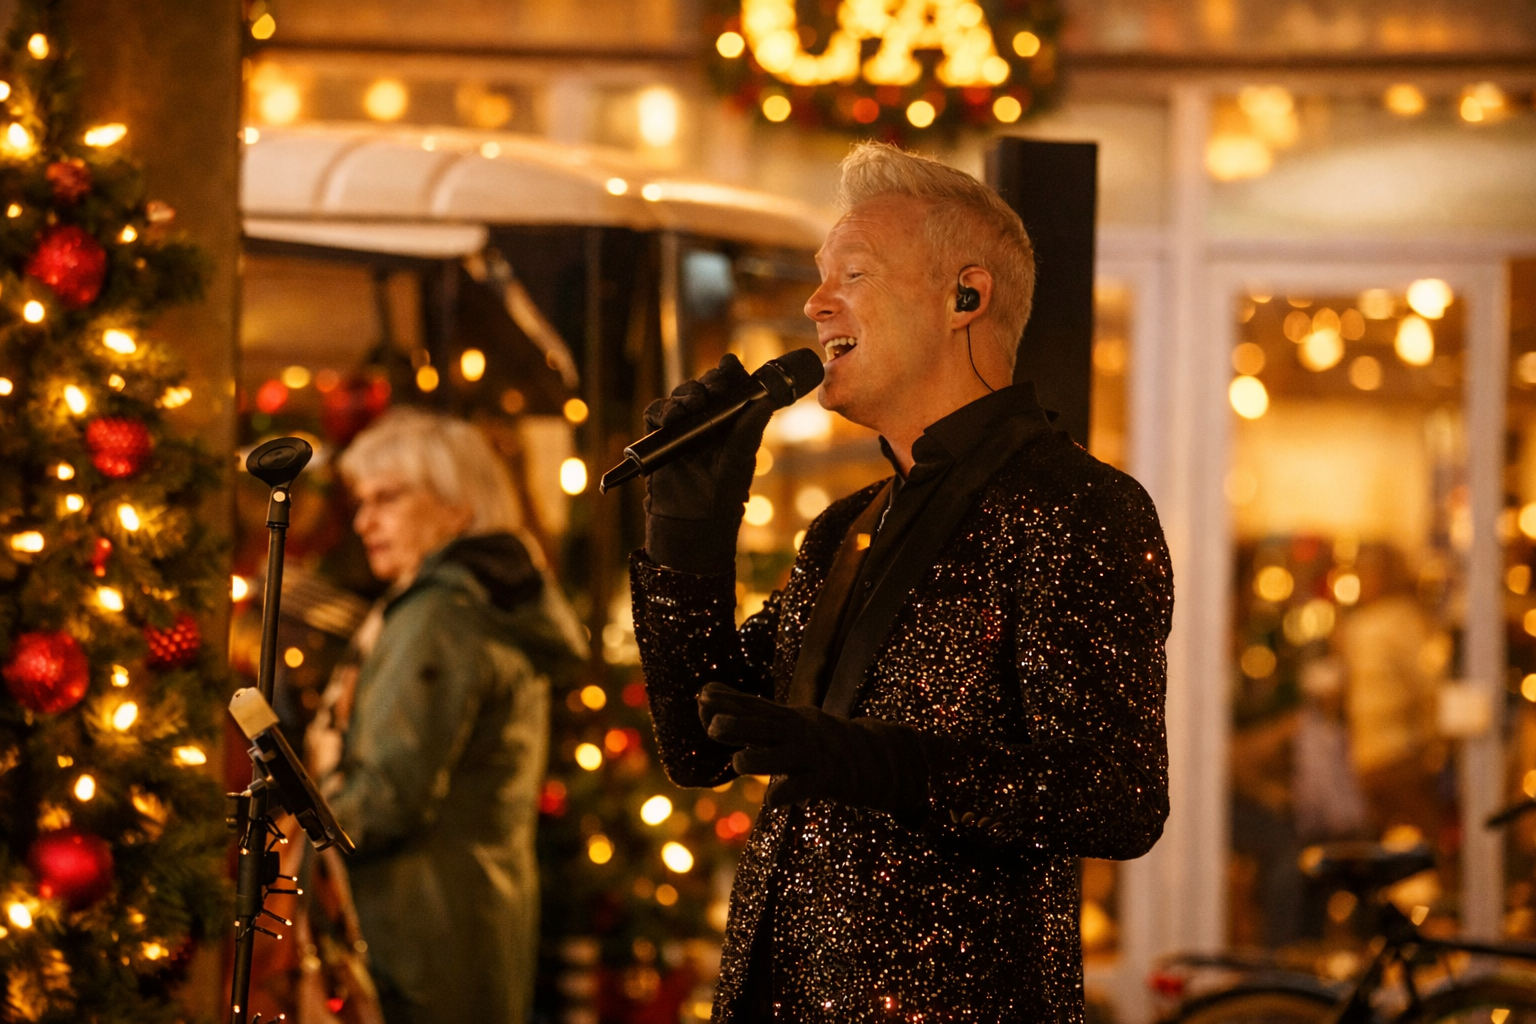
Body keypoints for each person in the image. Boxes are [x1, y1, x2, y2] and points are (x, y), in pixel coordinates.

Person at [629, 142, 1173, 1022]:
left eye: (854, 271)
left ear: (966, 296)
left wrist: (863, 758)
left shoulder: (1075, 505)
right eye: (819, 276)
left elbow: (1116, 797)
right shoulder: (846, 526)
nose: (815, 301)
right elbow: (701, 745)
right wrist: (686, 533)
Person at [317, 408, 585, 1024]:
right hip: (469, 926)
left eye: (387, 498)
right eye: (362, 501)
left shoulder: (438, 618)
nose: (364, 521)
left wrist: (289, 840)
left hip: (416, 943)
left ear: (456, 507)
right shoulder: (482, 605)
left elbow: (385, 798)